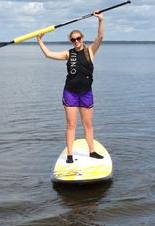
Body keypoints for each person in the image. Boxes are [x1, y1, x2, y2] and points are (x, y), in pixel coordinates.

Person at [37, 11, 104, 163]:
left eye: (78, 38)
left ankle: (92, 151)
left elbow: (100, 37)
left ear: (82, 39)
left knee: (88, 125)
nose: (76, 41)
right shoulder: (68, 54)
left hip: (86, 93)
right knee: (71, 125)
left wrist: (100, 20)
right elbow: (48, 54)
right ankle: (69, 155)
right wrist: (39, 40)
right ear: (71, 41)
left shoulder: (90, 51)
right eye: (73, 39)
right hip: (70, 93)